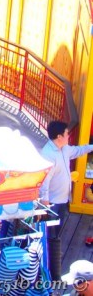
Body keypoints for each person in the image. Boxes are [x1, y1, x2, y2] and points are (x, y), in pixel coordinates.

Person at [39, 120, 93, 281]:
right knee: (51, 233)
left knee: (58, 230)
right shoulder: (48, 154)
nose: (69, 135)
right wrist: (46, 202)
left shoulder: (64, 149)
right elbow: (45, 182)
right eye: (67, 133)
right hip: (54, 203)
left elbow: (78, 151)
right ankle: (48, 263)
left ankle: (53, 254)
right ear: (59, 136)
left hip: (63, 200)